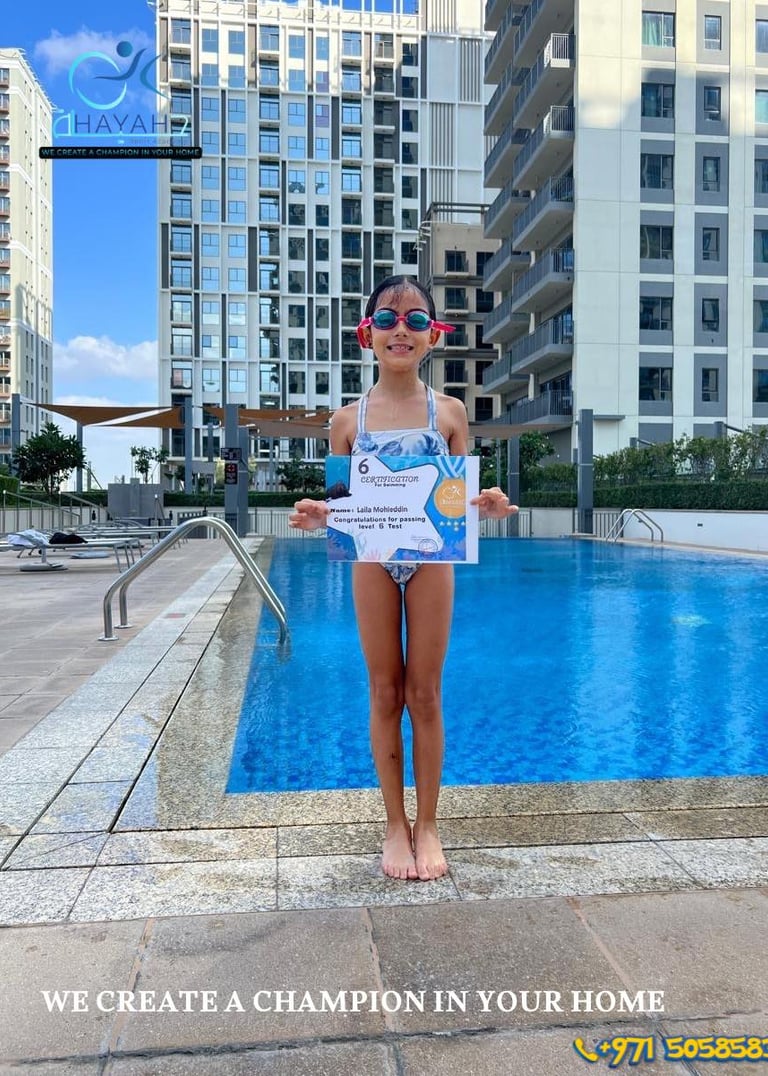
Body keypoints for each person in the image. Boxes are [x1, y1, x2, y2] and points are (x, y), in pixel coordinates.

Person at [289, 275, 517, 882]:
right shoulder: (346, 421)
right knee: (385, 690)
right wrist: (318, 518)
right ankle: (395, 824)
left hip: (431, 559)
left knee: (426, 693)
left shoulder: (449, 413)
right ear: (367, 335)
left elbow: (455, 499)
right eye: (388, 321)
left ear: (433, 336)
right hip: (370, 558)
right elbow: (338, 505)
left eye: (416, 321)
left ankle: (430, 825)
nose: (401, 331)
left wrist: (484, 505)